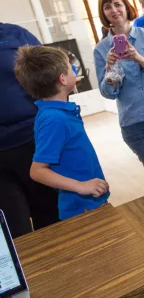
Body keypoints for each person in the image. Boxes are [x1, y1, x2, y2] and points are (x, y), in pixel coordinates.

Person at [14, 46, 109, 220]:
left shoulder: (59, 113)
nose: (74, 70)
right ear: (63, 79)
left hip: (92, 201)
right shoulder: (54, 119)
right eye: (70, 67)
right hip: (81, 210)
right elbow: (37, 171)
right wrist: (81, 186)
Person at [93, 0, 144, 192]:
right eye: (107, 6)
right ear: (103, 13)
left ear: (127, 7)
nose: (113, 10)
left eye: (118, 4)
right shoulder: (101, 50)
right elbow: (108, 93)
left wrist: (138, 57)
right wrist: (110, 70)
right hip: (134, 123)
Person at [0, 23, 59, 237]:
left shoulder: (16, 35)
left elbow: (52, 74)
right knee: (15, 228)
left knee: (50, 215)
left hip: (32, 141)